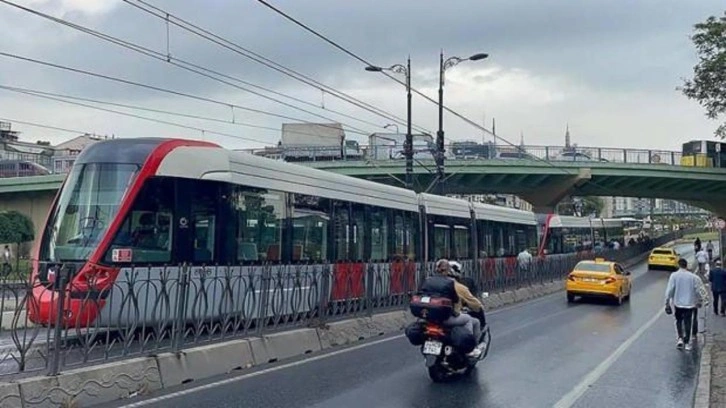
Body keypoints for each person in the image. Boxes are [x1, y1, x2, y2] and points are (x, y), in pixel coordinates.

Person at [421, 259, 484, 358]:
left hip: (430, 317)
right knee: (469, 320)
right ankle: (469, 349)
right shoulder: (453, 285)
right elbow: (458, 301)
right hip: (446, 318)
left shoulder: (428, 281)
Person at [665, 258, 708, 350]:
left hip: (678, 303)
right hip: (690, 304)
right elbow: (700, 289)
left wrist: (667, 302)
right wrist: (702, 300)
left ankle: (680, 338)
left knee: (678, 321)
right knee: (688, 322)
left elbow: (670, 290)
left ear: (678, 265)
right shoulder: (693, 277)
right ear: (686, 266)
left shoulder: (674, 276)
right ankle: (687, 342)